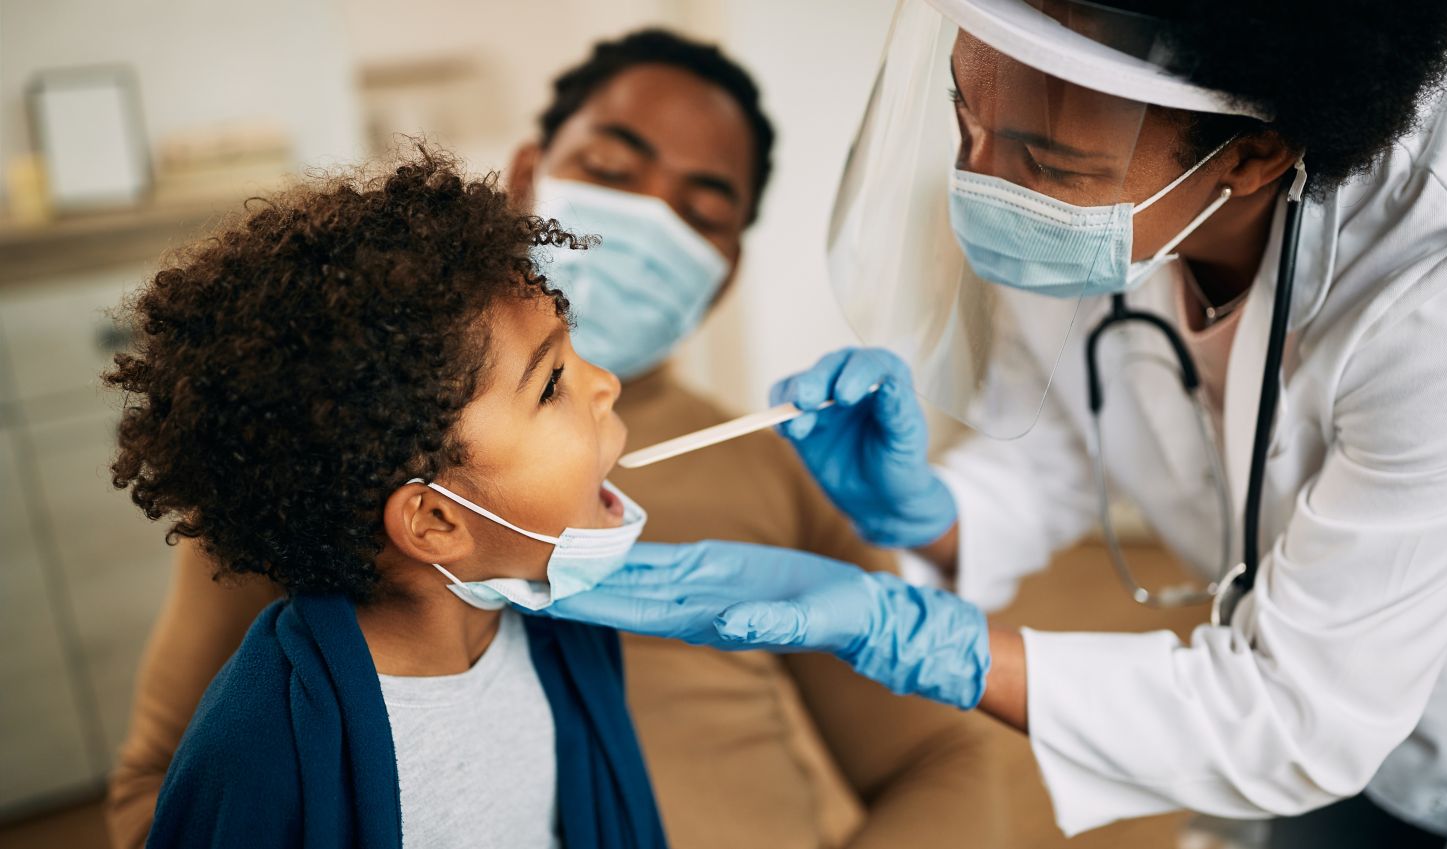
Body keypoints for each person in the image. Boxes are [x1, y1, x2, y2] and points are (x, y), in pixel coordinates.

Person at [532, 2, 1447, 847]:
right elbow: (1057, 453)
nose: (990, 189)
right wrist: (931, 519)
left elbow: (1295, 721)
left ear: (1252, 152)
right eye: (967, 125)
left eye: (1046, 161)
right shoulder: (1088, 183)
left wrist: (917, 637)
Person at [105, 29, 1012, 849]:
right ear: (529, 175)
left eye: (701, 209)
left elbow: (945, 758)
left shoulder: (785, 460)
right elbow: (164, 787)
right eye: (615, 170)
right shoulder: (317, 462)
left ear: (729, 262)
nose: (648, 222)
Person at [105, 146, 664, 848]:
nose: (605, 381)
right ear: (433, 520)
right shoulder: (253, 753)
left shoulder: (567, 633)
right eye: (550, 383)